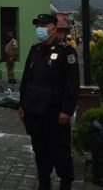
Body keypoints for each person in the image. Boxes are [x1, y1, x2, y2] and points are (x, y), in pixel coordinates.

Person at [18, 14, 79, 190]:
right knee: (40, 153)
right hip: (34, 112)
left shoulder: (66, 52)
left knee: (60, 152)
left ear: (54, 28)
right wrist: (22, 105)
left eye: (43, 25)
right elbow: (27, 79)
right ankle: (44, 185)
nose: (40, 29)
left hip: (55, 114)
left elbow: (72, 83)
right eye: (38, 25)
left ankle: (65, 184)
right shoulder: (35, 50)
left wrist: (67, 110)